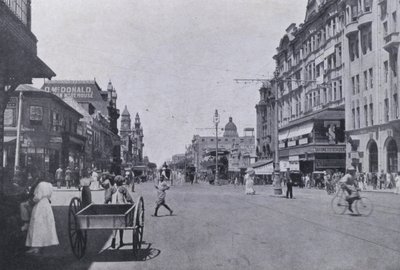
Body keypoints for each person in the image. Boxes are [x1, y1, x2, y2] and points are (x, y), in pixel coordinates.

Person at [25, 175, 59, 254]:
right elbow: (50, 196)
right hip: (47, 205)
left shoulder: (40, 185)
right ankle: (43, 243)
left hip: (40, 205)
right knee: (45, 225)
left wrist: (30, 202)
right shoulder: (50, 185)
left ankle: (35, 246)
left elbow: (37, 197)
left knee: (36, 224)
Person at [110, 175, 134, 249]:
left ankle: (113, 239)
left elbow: (107, 198)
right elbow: (128, 198)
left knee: (114, 224)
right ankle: (121, 241)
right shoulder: (123, 189)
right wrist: (132, 202)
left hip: (113, 207)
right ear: (121, 182)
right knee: (121, 224)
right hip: (121, 207)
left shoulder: (112, 189)